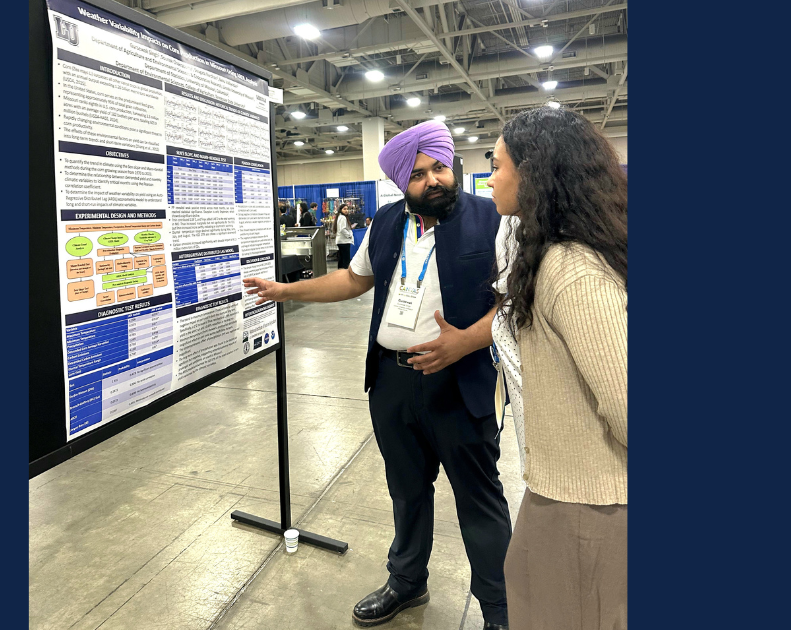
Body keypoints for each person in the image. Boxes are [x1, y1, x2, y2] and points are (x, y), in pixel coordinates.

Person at [243, 120, 510, 630]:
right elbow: (352, 279)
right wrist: (285, 292)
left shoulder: (493, 219)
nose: (433, 180)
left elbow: (515, 302)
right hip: (391, 382)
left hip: (462, 381)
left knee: (479, 497)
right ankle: (407, 583)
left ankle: (499, 610)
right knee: (407, 489)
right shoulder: (387, 223)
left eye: (439, 168)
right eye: (418, 174)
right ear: (399, 183)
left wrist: (463, 342)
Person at [487, 107, 628, 630]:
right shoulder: (545, 252)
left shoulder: (570, 269)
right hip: (561, 489)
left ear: (534, 173)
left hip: (589, 505)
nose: (492, 174)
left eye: (498, 163)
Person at [335, 203, 354, 269]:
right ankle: (344, 274)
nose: (346, 210)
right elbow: (342, 229)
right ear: (341, 210)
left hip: (341, 241)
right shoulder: (342, 218)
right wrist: (349, 236)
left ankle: (340, 274)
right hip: (344, 241)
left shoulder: (340, 217)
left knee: (341, 259)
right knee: (345, 260)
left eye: (347, 209)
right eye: (344, 209)